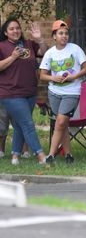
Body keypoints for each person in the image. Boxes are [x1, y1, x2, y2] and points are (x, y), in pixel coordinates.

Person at [39, 20, 86, 164]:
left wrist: (74, 76)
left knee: (60, 122)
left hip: (72, 91)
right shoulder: (50, 53)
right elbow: (42, 75)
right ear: (54, 36)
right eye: (60, 33)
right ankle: (68, 155)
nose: (64, 36)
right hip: (54, 92)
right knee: (63, 124)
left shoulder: (75, 49)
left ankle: (50, 155)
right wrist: (53, 77)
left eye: (66, 33)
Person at [0, 18, 48, 165]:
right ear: (5, 33)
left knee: (20, 124)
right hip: (10, 92)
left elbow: (45, 53)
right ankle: (41, 156)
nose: (16, 31)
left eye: (18, 28)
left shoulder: (28, 44)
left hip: (30, 92)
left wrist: (40, 39)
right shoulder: (2, 46)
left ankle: (15, 155)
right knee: (27, 123)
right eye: (12, 29)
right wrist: (13, 57)